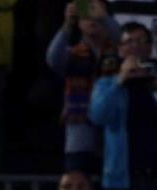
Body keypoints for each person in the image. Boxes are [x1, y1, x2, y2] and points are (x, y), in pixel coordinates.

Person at [89, 21, 157, 190]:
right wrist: (119, 82)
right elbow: (97, 117)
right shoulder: (106, 83)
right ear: (120, 49)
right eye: (128, 42)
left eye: (140, 41)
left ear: (150, 47)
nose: (134, 46)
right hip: (121, 178)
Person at [45, 0, 119, 175]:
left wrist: (104, 18)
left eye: (96, 12)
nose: (92, 18)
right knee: (78, 179)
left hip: (113, 131)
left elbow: (124, 41)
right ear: (79, 22)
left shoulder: (119, 51)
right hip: (80, 135)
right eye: (86, 14)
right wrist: (67, 25)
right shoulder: (72, 54)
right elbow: (52, 59)